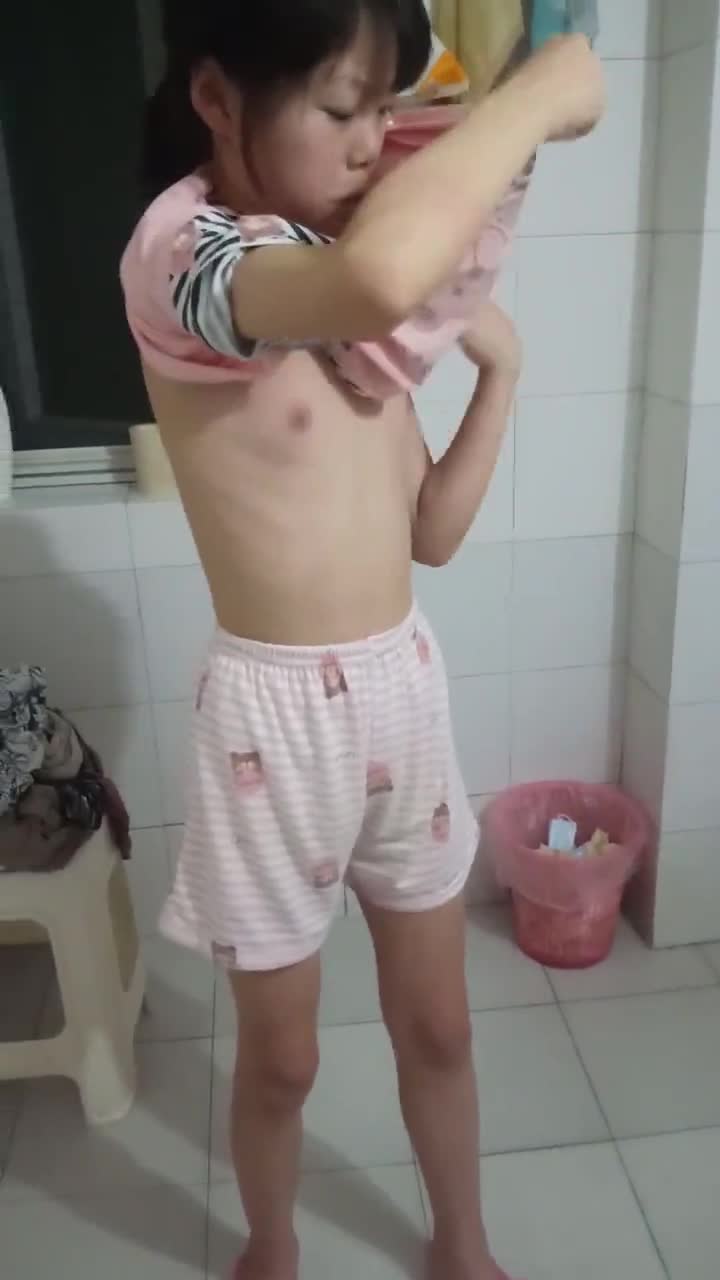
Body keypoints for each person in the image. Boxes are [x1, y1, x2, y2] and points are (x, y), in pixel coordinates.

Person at [120, 4, 605, 1277]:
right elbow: (378, 280)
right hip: (270, 722)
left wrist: (500, 374)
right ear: (218, 99)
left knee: (440, 1025)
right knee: (283, 1058)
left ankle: (463, 1243)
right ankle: (272, 1246)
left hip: (401, 686)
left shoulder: (342, 266)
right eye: (343, 107)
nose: (369, 142)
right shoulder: (184, 252)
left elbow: (428, 529)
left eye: (386, 110)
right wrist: (536, 92)